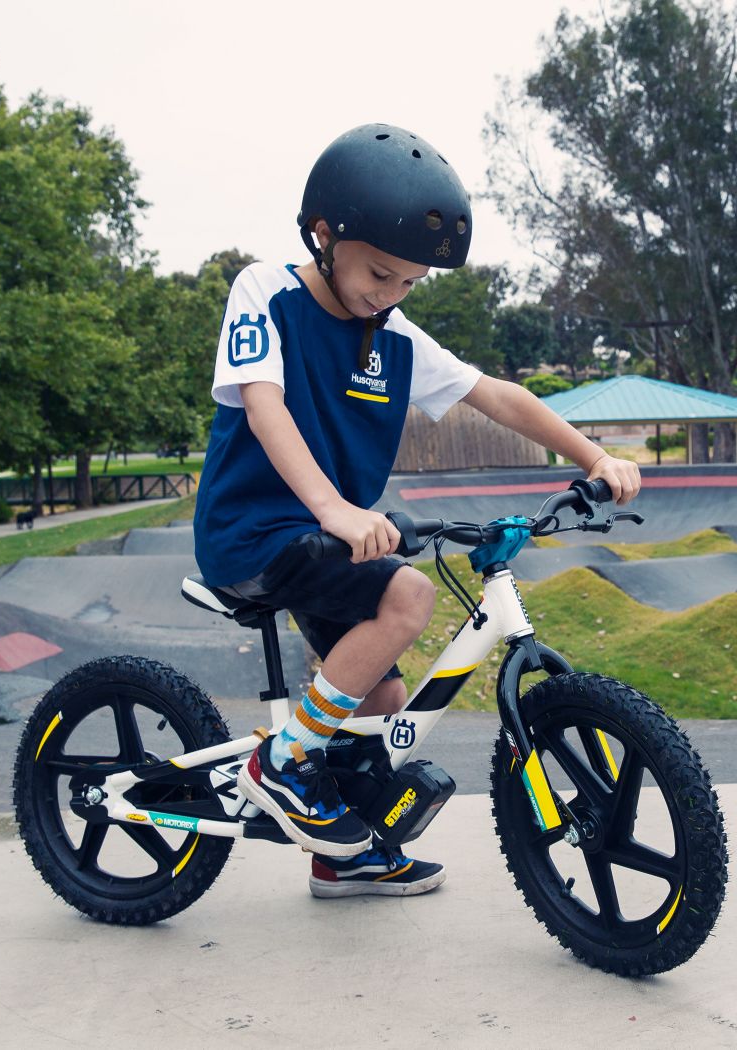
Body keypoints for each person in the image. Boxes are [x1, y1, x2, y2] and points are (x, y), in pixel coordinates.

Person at [193, 124, 641, 899]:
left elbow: (495, 394)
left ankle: (343, 853)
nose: (389, 294)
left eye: (408, 283)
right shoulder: (266, 292)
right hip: (254, 531)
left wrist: (592, 456)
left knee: (382, 704)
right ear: (324, 233)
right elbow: (265, 408)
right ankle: (283, 761)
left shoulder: (391, 337)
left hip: (328, 539)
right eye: (378, 272)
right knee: (410, 593)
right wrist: (334, 508)